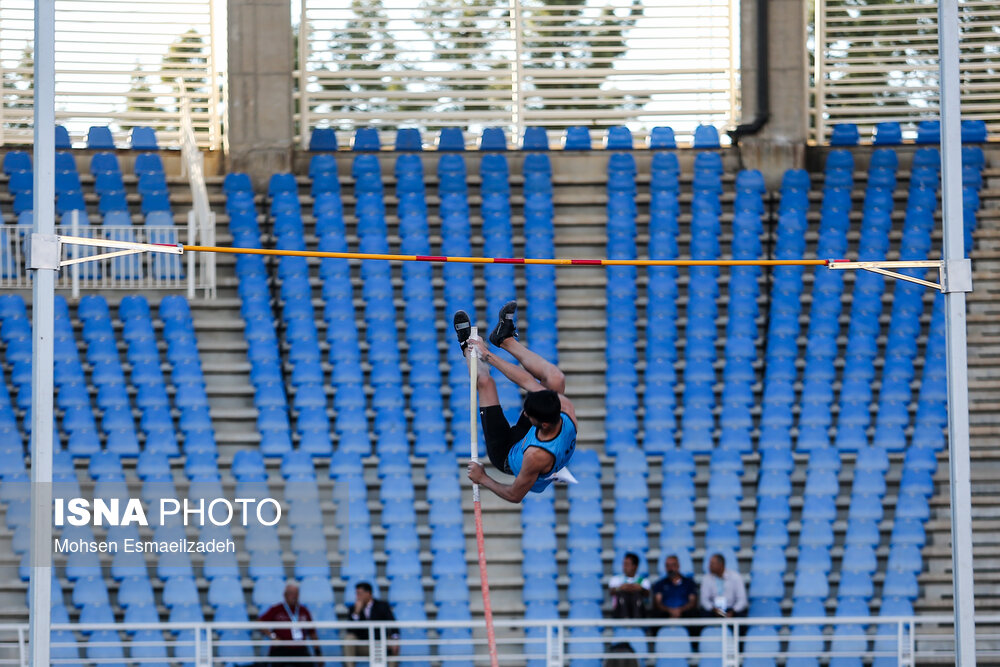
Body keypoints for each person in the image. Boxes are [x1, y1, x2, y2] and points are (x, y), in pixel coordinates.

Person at [455, 301, 577, 503]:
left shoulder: (536, 456)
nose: (524, 414)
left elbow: (515, 495)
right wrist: (488, 355)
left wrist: (483, 478)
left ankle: (467, 346)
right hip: (532, 436)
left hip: (507, 452)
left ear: (543, 423)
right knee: (556, 379)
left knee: (485, 382)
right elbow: (527, 381)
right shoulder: (564, 407)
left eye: (529, 415)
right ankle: (504, 338)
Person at [258, 582, 317, 667]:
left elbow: (312, 632)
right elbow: (259, 622)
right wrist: (272, 636)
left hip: (299, 648)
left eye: (296, 593)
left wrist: (318, 652)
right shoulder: (276, 609)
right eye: (291, 593)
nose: (294, 596)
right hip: (280, 647)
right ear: (285, 595)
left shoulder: (304, 610)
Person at [344, 582, 399, 661]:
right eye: (356, 594)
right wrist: (356, 613)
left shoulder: (382, 606)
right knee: (349, 639)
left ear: (368, 593)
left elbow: (392, 623)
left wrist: (395, 639)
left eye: (359, 594)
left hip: (380, 642)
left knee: (393, 642)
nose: (357, 596)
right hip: (362, 644)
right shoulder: (353, 609)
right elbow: (350, 630)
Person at [699, 553, 748, 618]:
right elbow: (704, 600)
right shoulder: (706, 578)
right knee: (702, 614)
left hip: (731, 609)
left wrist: (733, 611)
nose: (709, 566)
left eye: (712, 564)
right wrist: (714, 609)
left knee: (741, 616)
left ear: (721, 564)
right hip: (714, 610)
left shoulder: (735, 577)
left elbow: (742, 600)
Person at [652, 555, 699, 620]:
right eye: (667, 566)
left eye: (673, 565)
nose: (670, 568)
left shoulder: (689, 583)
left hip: (685, 614)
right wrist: (670, 611)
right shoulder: (660, 584)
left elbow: (692, 602)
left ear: (678, 566)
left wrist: (680, 610)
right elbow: (658, 603)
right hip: (666, 614)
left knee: (694, 613)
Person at [608, 552, 651, 619]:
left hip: (640, 612)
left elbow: (647, 594)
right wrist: (620, 588)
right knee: (622, 594)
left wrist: (641, 589)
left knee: (637, 594)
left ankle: (637, 619)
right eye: (624, 564)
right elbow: (611, 592)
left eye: (627, 564)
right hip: (619, 613)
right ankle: (625, 617)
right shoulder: (616, 579)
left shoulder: (643, 581)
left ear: (635, 566)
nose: (624, 567)